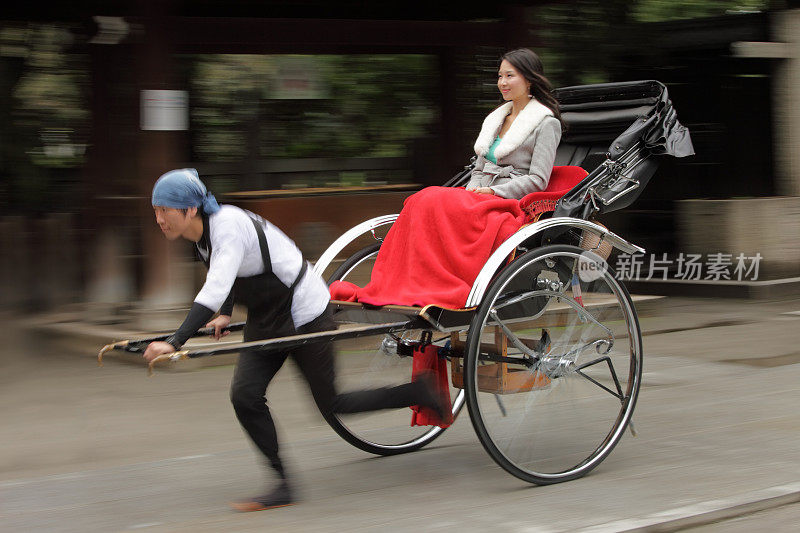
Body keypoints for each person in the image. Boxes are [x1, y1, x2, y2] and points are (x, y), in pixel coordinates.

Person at [143, 168, 448, 512]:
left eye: (164, 210)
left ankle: (419, 392)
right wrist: (226, 312)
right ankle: (281, 483)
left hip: (305, 314)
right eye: (156, 211)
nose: (158, 219)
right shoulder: (201, 234)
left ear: (189, 210)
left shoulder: (226, 225)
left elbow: (214, 285)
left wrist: (176, 341)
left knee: (332, 404)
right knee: (245, 396)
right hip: (267, 317)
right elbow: (224, 274)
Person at [466, 48, 565, 199]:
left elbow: (538, 180)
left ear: (529, 80)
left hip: (511, 200)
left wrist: (494, 192)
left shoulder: (547, 124)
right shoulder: (495, 120)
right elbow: (478, 171)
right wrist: (472, 193)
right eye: (500, 76)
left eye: (509, 76)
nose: (502, 82)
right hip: (481, 196)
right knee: (431, 198)